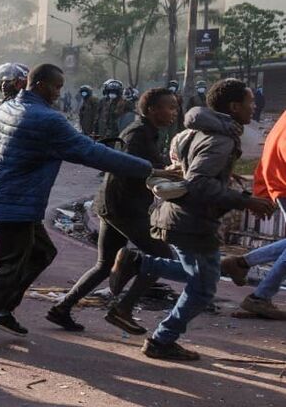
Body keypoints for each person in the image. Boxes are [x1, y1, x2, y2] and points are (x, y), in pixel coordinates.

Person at [0, 63, 165, 349]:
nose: (59, 93)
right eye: (56, 87)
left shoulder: (11, 106)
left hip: (7, 193)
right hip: (18, 202)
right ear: (39, 85)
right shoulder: (46, 118)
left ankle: (1, 309)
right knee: (11, 267)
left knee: (42, 253)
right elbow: (91, 153)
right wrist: (150, 169)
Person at [118, 79, 276, 360]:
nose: (254, 107)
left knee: (204, 275)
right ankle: (161, 340)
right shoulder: (221, 138)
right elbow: (199, 183)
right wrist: (245, 200)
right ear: (234, 106)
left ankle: (140, 263)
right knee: (203, 290)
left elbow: (187, 168)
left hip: (179, 215)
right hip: (192, 220)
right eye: (250, 102)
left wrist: (225, 177)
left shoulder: (198, 130)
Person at [45, 87, 181, 333]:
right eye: (169, 107)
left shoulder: (149, 133)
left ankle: (62, 308)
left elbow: (151, 168)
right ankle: (123, 308)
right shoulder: (136, 134)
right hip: (124, 207)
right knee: (163, 258)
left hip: (117, 205)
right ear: (152, 110)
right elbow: (132, 168)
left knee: (105, 264)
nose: (174, 112)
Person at [221, 105, 286, 318]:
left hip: (279, 185)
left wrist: (263, 190)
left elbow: (269, 154)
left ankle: (242, 263)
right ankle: (260, 297)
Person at [159, 80, 183, 153]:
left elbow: (180, 110)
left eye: (175, 86)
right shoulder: (163, 97)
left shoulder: (178, 98)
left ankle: (171, 151)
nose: (173, 87)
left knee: (172, 136)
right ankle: (160, 150)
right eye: (171, 85)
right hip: (164, 118)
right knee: (162, 135)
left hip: (174, 119)